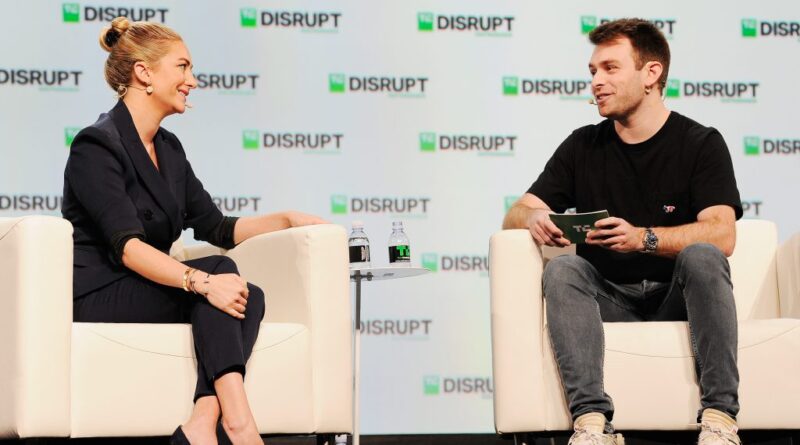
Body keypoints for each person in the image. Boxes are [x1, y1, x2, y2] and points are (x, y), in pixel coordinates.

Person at [62, 17, 325, 445]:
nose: (193, 81)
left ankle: (203, 422)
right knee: (220, 275)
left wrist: (287, 220)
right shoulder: (96, 145)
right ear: (144, 73)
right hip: (101, 290)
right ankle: (239, 425)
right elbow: (127, 248)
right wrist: (200, 281)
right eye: (182, 67)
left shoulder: (169, 148)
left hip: (147, 286)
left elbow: (216, 227)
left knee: (248, 294)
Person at [502, 18, 743, 445]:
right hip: (609, 299)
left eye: (610, 68)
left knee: (703, 254)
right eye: (593, 71)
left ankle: (720, 418)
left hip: (676, 300)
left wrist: (643, 238)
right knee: (564, 270)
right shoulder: (582, 145)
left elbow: (723, 234)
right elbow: (516, 212)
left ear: (651, 73)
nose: (596, 81)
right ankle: (592, 424)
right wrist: (534, 218)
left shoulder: (700, 143)